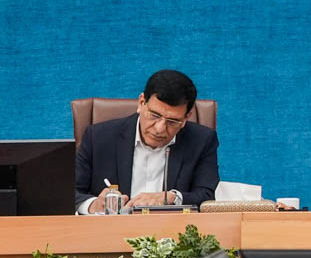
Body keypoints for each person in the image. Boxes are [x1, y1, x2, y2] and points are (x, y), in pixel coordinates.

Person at [74, 69, 220, 213]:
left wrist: (173, 198)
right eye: (154, 115)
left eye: (172, 121)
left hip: (172, 226)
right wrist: (93, 205)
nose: (159, 129)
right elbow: (71, 192)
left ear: (186, 117)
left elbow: (206, 196)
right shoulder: (98, 137)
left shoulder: (202, 141)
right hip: (111, 226)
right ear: (141, 102)